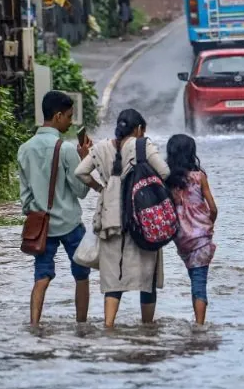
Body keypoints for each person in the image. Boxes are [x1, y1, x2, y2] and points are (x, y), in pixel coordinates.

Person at [75, 109, 170, 328]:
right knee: (147, 280)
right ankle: (147, 328)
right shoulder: (143, 146)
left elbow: (80, 172)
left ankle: (108, 326)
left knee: (113, 278)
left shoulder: (99, 148)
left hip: (110, 218)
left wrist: (101, 187)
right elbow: (165, 172)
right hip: (142, 217)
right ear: (138, 129)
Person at [17, 91, 92, 326]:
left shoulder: (25, 149)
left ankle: (34, 325)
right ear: (58, 116)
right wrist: (84, 159)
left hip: (41, 226)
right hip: (69, 223)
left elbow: (25, 196)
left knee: (41, 276)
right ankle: (81, 326)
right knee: (82, 276)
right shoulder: (67, 149)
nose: (70, 122)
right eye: (69, 116)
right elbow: (80, 191)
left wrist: (37, 211)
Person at [166, 134, 218, 326]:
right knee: (199, 282)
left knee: (193, 276)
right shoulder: (199, 177)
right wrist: (208, 224)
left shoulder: (168, 179)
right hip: (200, 238)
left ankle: (198, 322)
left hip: (180, 238)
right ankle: (199, 325)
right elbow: (213, 208)